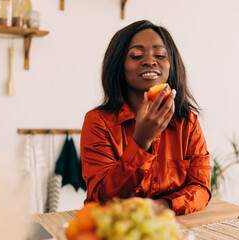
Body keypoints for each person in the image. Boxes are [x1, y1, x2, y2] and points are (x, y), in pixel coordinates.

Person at [80, 20, 211, 215]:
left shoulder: (188, 122)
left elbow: (201, 187)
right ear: (119, 66)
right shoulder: (98, 122)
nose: (150, 61)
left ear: (171, 65)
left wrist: (162, 206)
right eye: (136, 55)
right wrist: (141, 142)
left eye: (160, 55)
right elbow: (103, 198)